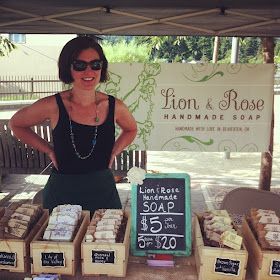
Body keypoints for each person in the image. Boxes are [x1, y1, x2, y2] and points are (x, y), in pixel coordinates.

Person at [9, 36, 137, 213]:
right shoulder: (53, 105)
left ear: (102, 67)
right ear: (68, 68)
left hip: (102, 190)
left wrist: (114, 151)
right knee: (55, 240)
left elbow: (131, 129)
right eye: (80, 65)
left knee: (105, 240)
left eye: (95, 64)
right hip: (62, 190)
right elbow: (16, 124)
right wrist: (49, 150)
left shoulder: (114, 106)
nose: (88, 71)